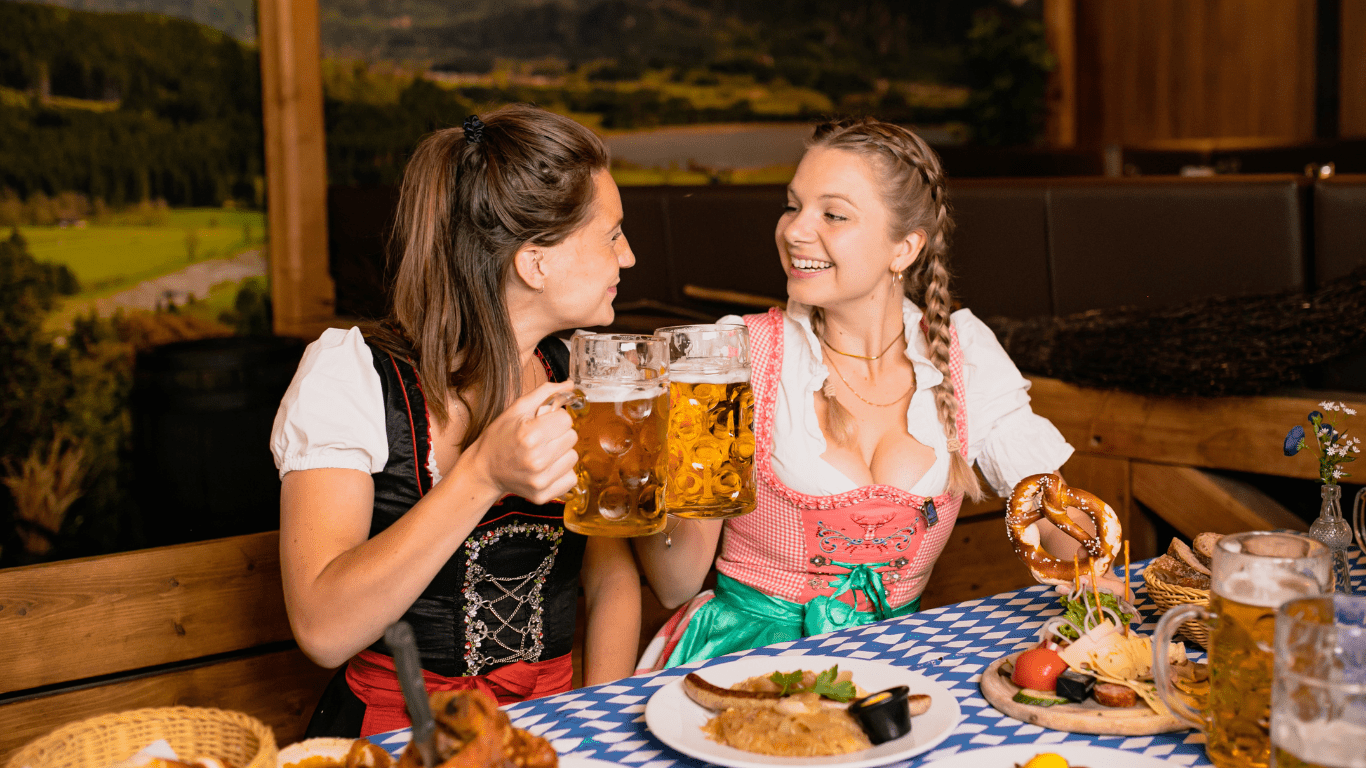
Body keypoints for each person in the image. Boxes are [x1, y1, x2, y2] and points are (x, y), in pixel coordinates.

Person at [634, 117, 1118, 671]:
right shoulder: (732, 355)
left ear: (903, 248)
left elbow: (1052, 515)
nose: (794, 230)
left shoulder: (962, 354)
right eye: (793, 206)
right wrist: (650, 476)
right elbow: (676, 584)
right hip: (740, 662)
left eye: (833, 214)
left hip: (895, 663)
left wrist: (1097, 581)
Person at [270, 104, 642, 737]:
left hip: (549, 729)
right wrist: (480, 477)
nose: (628, 257)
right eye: (611, 235)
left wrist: (596, 730)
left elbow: (611, 583)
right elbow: (323, 629)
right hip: (395, 733)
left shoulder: (581, 374)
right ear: (536, 262)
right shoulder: (351, 376)